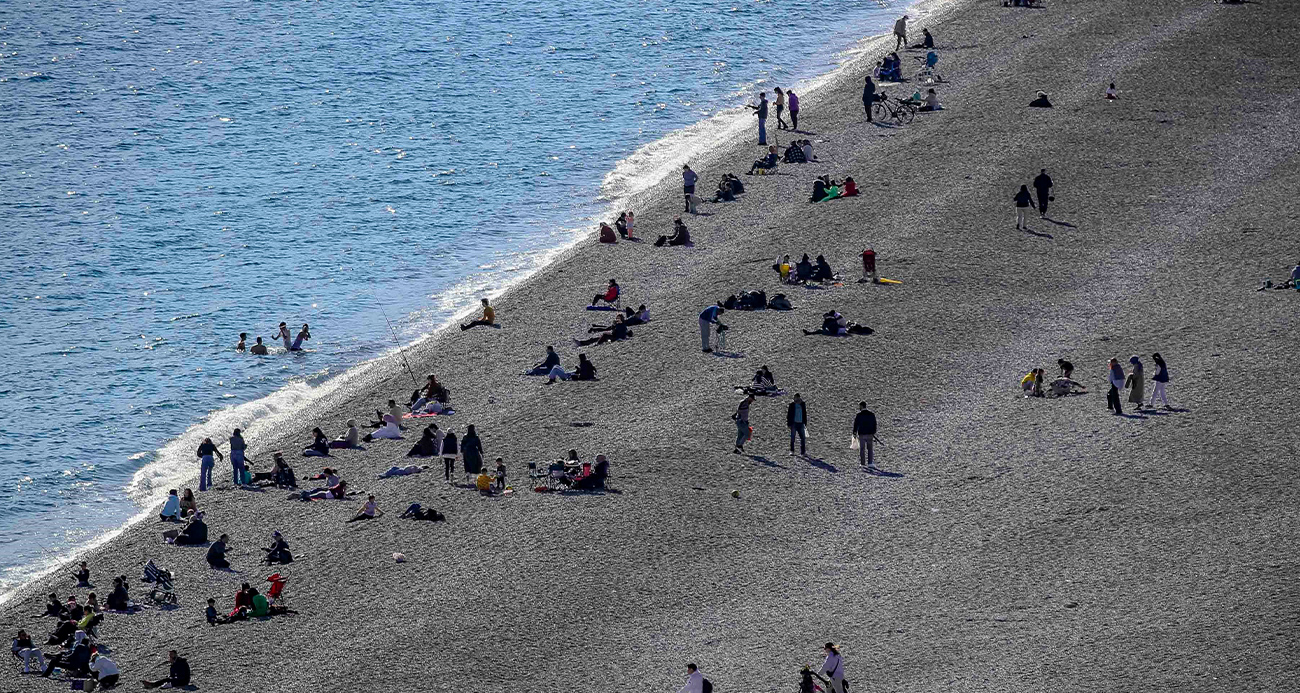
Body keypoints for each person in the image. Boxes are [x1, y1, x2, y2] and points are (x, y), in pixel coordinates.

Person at [852, 402, 877, 468]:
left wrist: (854, 433)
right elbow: (875, 424)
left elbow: (856, 424)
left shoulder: (859, 415)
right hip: (870, 434)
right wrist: (873, 432)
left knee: (862, 449)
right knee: (870, 449)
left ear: (861, 406)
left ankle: (863, 463)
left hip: (862, 434)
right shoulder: (871, 414)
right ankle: (870, 463)